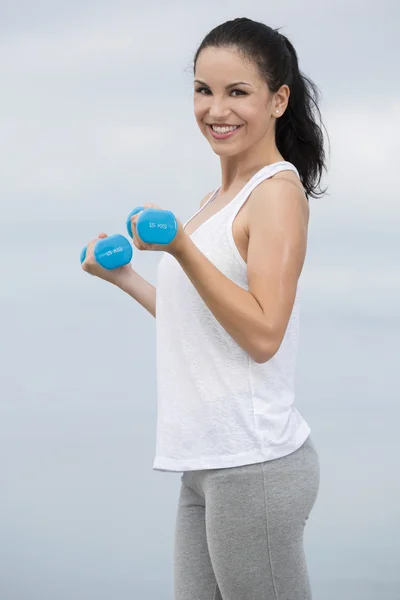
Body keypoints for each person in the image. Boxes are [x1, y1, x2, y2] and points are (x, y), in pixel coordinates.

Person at [82, 17, 327, 600]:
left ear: (278, 100)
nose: (216, 109)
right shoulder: (215, 200)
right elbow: (198, 323)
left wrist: (183, 248)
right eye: (203, 89)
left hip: (256, 465)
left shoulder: (276, 195)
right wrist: (126, 278)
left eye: (237, 91)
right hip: (207, 460)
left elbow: (264, 333)